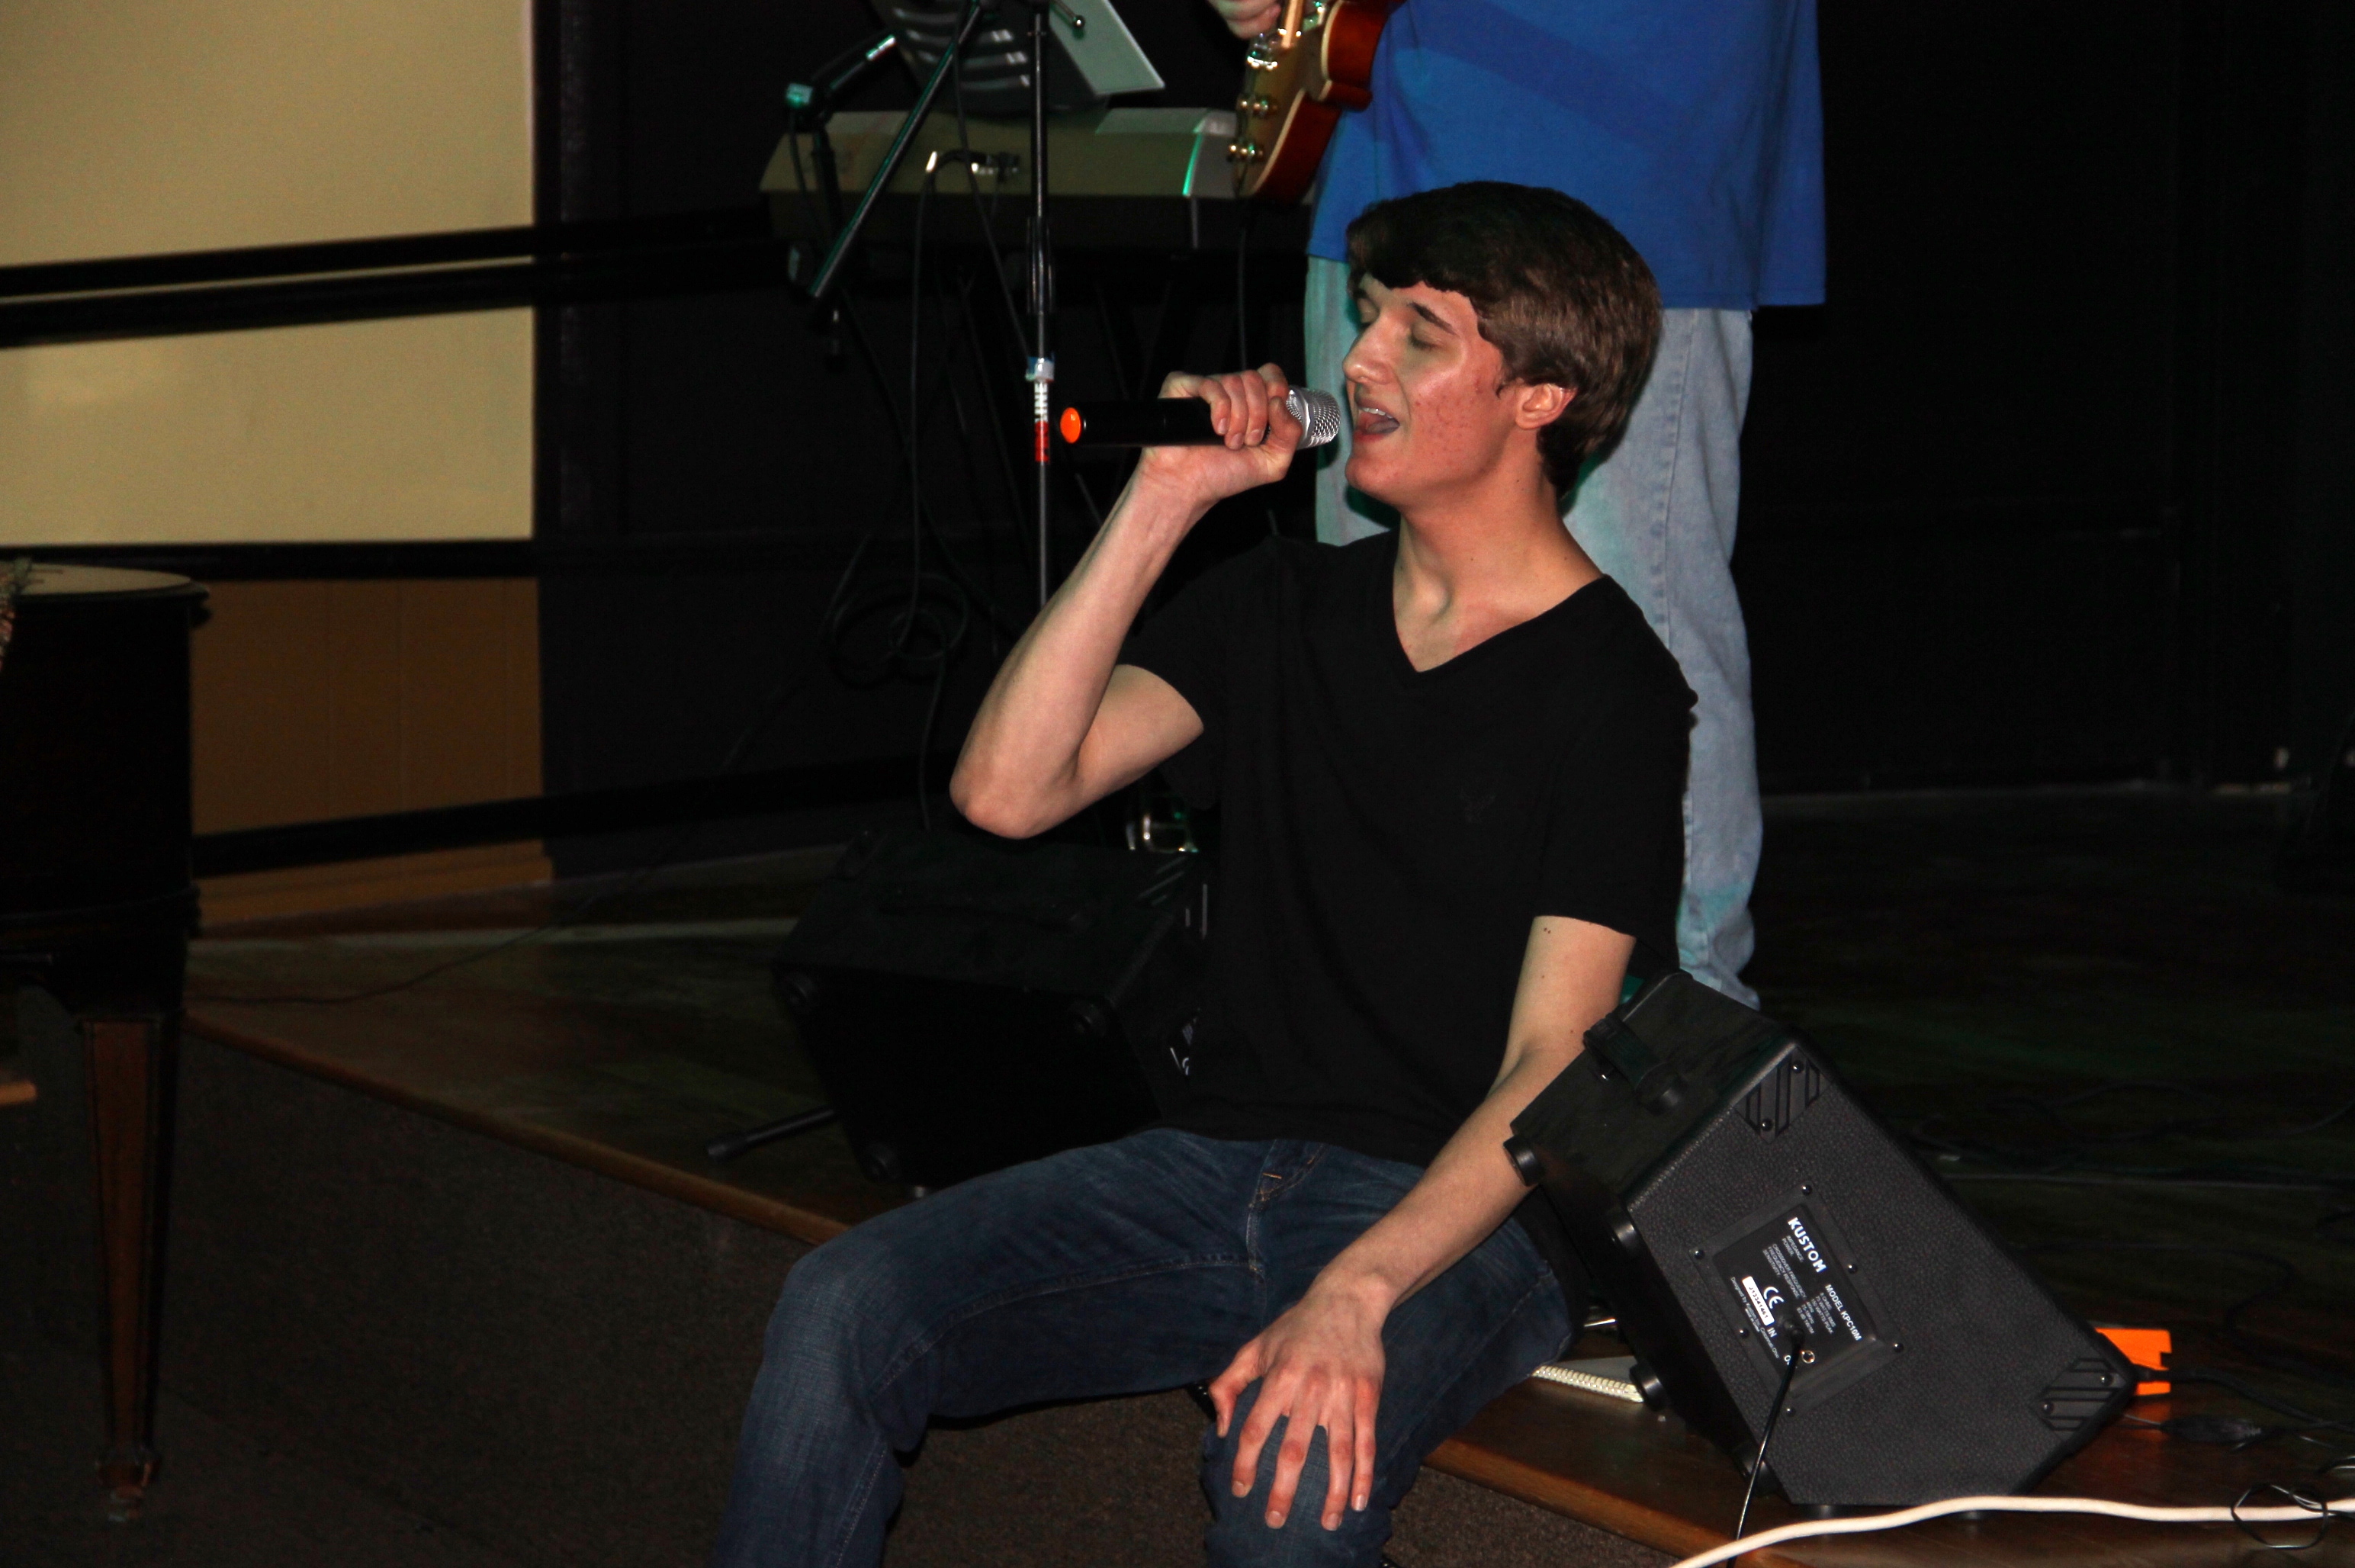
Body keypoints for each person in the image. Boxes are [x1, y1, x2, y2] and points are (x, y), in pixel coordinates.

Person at [710, 182, 1692, 1568]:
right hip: (1206, 1165)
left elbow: (1555, 1059)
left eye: (1420, 334)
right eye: (1367, 318)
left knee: (1287, 1484)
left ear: (1542, 397)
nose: (1360, 359)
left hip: (1454, 1216)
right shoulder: (1281, 602)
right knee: (843, 1306)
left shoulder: (1612, 686)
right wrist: (1163, 499)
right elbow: (1006, 792)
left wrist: (1360, 1288)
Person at [1210, 0, 1826, 1006]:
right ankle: (1402, 1013)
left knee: (1636, 626)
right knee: (1379, 616)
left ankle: (1678, 1030)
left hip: (1611, 132)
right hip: (1390, 133)